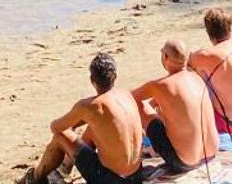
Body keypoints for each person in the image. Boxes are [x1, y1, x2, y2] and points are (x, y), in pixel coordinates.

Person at [20, 53, 143, 184]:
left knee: (60, 136)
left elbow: (56, 127)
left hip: (111, 179)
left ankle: (34, 179)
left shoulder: (90, 106)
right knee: (94, 127)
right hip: (137, 175)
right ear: (115, 77)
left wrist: (75, 123)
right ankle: (64, 169)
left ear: (92, 80)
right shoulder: (126, 95)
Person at [131, 40, 216, 175]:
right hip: (211, 154)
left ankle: (134, 147)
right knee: (160, 106)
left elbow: (129, 97)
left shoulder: (161, 85)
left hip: (185, 162)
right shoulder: (196, 78)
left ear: (165, 57)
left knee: (140, 105)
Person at [188, 6, 232, 136]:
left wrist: (196, 53)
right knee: (211, 70)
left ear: (209, 32)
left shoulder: (209, 55)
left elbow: (186, 61)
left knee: (196, 72)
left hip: (231, 124)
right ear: (229, 28)